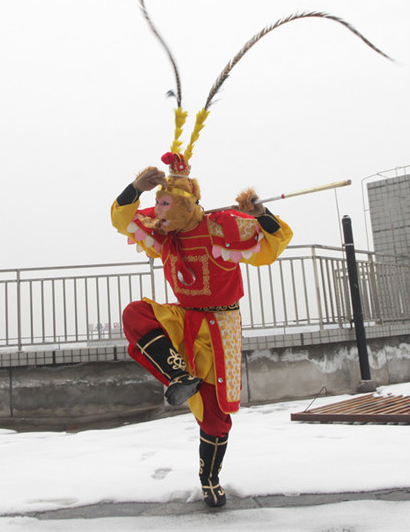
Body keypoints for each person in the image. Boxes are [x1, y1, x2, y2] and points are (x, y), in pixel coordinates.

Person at [111, 149, 293, 507]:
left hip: (221, 328)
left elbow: (276, 242)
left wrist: (261, 214)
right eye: (157, 202)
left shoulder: (223, 226)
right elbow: (122, 219)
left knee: (216, 416)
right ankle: (178, 376)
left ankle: (209, 478)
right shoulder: (164, 231)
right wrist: (137, 187)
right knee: (135, 314)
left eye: (164, 203)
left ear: (185, 204)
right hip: (186, 318)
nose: (157, 210)